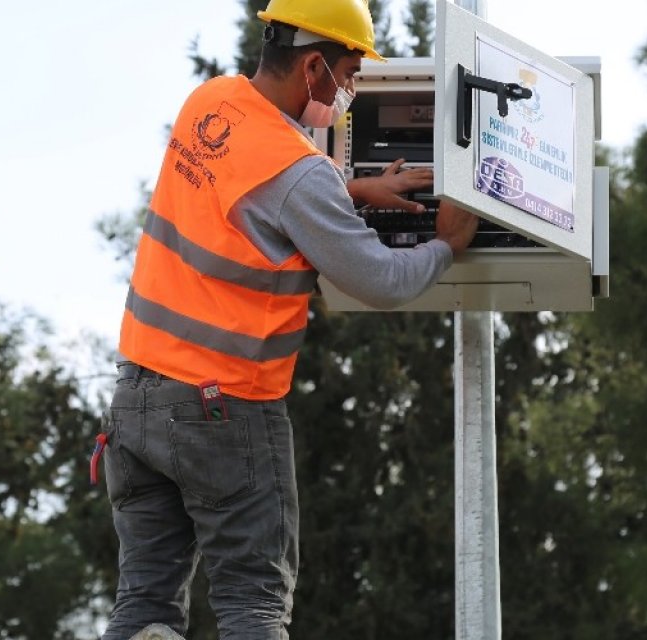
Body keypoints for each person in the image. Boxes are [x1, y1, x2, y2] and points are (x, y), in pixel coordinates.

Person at [100, 0, 478, 638]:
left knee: (142, 607)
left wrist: (349, 190)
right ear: (312, 68)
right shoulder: (299, 173)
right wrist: (448, 243)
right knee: (253, 604)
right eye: (349, 74)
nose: (349, 91)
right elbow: (381, 281)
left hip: (135, 402)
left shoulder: (211, 102)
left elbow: (251, 189)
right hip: (223, 411)